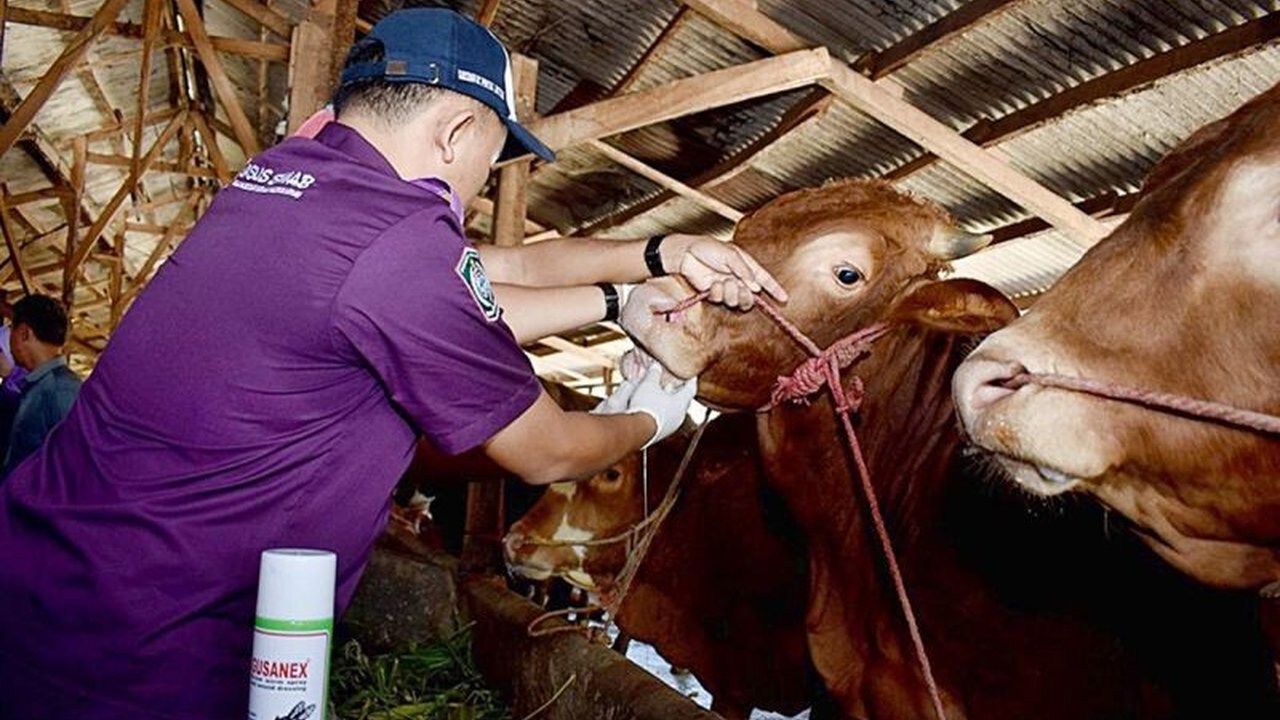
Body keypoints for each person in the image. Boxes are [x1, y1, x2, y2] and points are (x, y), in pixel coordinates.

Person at [0, 8, 786, 719]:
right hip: (139, 650)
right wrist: (651, 416)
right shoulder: (396, 246)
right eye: (492, 157)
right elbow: (545, 451)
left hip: (46, 578)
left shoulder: (281, 182)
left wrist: (639, 276)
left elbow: (482, 279)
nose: (483, 181)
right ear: (456, 132)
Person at [2, 294, 80, 477]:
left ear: (24, 333)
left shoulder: (61, 390)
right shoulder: (37, 387)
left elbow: (74, 467)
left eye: (11, 328)